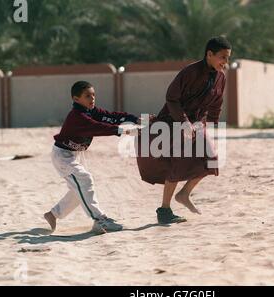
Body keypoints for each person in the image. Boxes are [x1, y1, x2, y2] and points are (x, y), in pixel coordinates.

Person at [135, 36, 232, 224]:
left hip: (197, 125)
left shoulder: (221, 78)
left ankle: (184, 194)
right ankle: (164, 210)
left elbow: (216, 105)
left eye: (228, 58)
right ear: (209, 54)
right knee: (178, 165)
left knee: (212, 160)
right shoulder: (190, 72)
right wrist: (184, 122)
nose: (226, 63)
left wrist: (211, 126)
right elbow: (171, 98)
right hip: (172, 123)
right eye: (222, 57)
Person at [44, 80, 140, 234]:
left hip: (75, 154)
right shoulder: (78, 116)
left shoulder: (91, 111)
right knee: (85, 180)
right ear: (76, 99)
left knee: (80, 188)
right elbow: (99, 128)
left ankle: (53, 214)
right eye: (87, 96)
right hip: (62, 155)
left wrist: (135, 119)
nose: (92, 98)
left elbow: (110, 116)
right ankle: (99, 219)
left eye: (93, 95)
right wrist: (125, 131)